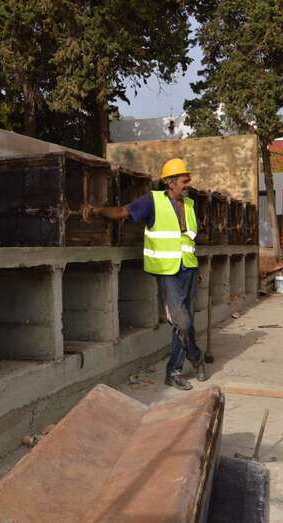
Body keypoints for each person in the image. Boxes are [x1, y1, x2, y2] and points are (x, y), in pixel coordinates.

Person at [82, 158, 209, 391]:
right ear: (170, 183)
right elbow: (123, 212)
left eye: (188, 179)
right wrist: (97, 210)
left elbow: (188, 239)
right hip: (167, 270)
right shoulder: (153, 201)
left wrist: (196, 268)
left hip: (188, 269)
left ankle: (178, 370)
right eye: (184, 179)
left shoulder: (190, 204)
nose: (188, 182)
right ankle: (193, 359)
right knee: (182, 321)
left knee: (186, 323)